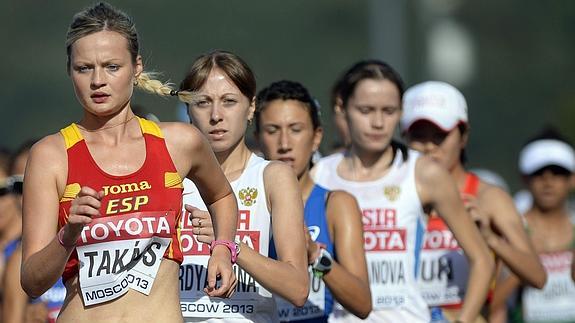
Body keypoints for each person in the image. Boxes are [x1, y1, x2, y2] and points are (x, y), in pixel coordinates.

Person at [20, 3, 238, 322]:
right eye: (84, 68)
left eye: (111, 66)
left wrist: (223, 247)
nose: (97, 80)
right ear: (69, 70)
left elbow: (221, 196)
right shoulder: (50, 155)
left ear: (136, 68)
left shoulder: (179, 142)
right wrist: (68, 234)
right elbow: (32, 282)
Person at [311, 60, 494, 323]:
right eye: (366, 110)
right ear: (342, 108)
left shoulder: (423, 172)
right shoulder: (320, 174)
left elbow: (482, 259)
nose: (377, 122)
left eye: (389, 111)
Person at [177, 51, 309, 322]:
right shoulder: (171, 179)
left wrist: (228, 243)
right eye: (202, 102)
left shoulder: (273, 176)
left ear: (251, 108)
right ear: (189, 110)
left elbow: (297, 288)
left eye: (229, 102)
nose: (216, 115)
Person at [401, 81, 546, 322]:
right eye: (418, 136)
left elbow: (537, 276)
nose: (429, 147)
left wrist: (489, 239)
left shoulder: (488, 197)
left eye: (440, 136)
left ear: (464, 136)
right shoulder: (391, 194)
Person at [254, 80, 371, 322]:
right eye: (272, 130)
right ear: (257, 138)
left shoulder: (336, 204)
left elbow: (362, 304)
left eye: (296, 129)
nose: (285, 144)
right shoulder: (238, 201)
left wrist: (315, 255)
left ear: (316, 137)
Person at [490, 128, 575, 323]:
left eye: (558, 172)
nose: (548, 181)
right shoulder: (509, 231)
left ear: (572, 179)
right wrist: (527, 268)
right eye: (538, 173)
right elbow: (489, 305)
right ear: (525, 178)